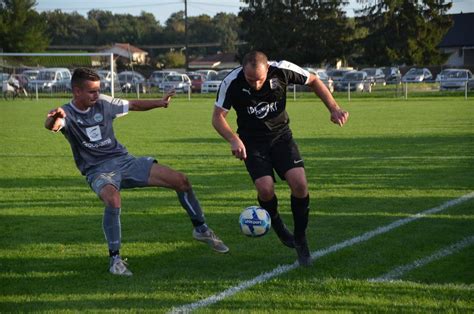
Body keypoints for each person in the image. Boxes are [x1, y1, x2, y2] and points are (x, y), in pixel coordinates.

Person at [45, 68, 229, 276]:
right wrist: (54, 118)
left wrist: (160, 103)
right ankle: (115, 259)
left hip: (125, 161)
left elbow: (132, 105)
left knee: (181, 180)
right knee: (113, 200)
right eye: (91, 92)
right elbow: (52, 125)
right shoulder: (65, 113)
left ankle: (201, 229)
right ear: (77, 91)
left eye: (98, 90)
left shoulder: (104, 102)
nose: (96, 95)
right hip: (98, 170)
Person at [212, 51, 349, 266]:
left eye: (259, 79)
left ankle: (301, 238)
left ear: (268, 69)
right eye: (250, 79)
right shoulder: (231, 81)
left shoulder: (282, 70)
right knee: (265, 189)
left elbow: (313, 80)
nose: (256, 85)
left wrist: (334, 108)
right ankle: (277, 224)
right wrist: (233, 139)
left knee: (300, 184)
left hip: (281, 138)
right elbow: (217, 117)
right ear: (243, 71)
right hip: (252, 142)